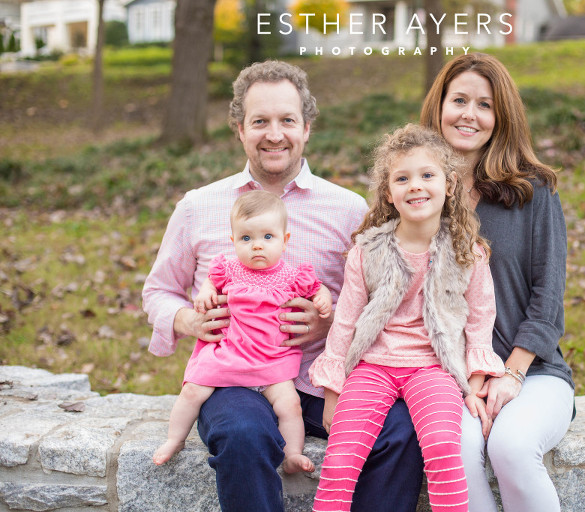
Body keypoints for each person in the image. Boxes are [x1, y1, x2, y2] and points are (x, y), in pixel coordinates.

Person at [142, 60, 424, 512]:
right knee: (242, 434)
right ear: (239, 129)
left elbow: (384, 305)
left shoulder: (349, 210)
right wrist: (190, 319)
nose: (275, 134)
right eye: (260, 122)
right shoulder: (198, 206)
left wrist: (329, 326)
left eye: (287, 120)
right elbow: (157, 292)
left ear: (307, 127)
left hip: (320, 380)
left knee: (398, 429)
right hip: (236, 382)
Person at [309, 124, 505, 512]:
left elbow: (481, 319)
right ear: (388, 193)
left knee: (443, 450)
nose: (415, 186)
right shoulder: (368, 252)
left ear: (449, 185)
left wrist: (475, 383)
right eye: (403, 178)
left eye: (427, 175)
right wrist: (333, 392)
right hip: (373, 367)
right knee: (341, 457)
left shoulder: (468, 252)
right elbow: (345, 321)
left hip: (433, 368)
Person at [421, 53, 576, 512]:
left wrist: (511, 374)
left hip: (532, 372)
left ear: (500, 117)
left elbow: (549, 300)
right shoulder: (419, 191)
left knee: (510, 447)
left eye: (484, 105)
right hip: (450, 377)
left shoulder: (533, 192)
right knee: (455, 451)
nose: (469, 114)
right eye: (459, 100)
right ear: (439, 107)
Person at [153, 190, 332, 474]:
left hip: (272, 360)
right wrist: (205, 294)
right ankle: (175, 439)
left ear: (285, 241)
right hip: (229, 356)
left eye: (267, 237)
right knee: (192, 392)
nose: (257, 246)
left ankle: (292, 454)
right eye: (246, 238)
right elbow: (211, 284)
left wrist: (322, 298)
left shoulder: (292, 275)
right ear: (233, 240)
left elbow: (316, 288)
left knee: (290, 406)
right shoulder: (229, 270)